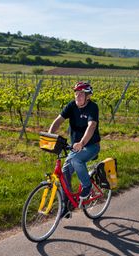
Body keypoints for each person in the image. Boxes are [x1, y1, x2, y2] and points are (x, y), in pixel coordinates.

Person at [48, 81, 101, 218]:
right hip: (76, 147)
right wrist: (49, 135)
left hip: (91, 146)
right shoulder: (71, 105)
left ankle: (87, 186)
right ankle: (66, 206)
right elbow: (58, 120)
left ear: (88, 96)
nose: (78, 96)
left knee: (76, 160)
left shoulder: (92, 107)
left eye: (81, 94)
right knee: (65, 171)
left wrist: (82, 143)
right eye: (76, 93)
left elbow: (92, 126)